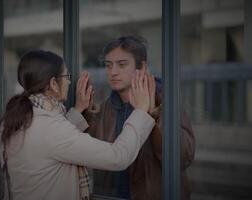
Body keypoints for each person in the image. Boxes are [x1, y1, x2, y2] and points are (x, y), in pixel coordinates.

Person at [0, 49, 156, 200]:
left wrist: (79, 109)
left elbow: (48, 143)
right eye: (66, 76)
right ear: (53, 83)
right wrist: (141, 111)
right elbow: (118, 157)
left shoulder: (16, 118)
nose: (69, 81)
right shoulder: (51, 128)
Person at [84, 36, 195, 200]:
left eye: (122, 65)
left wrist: (152, 115)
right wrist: (85, 112)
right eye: (108, 65)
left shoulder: (165, 102)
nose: (113, 72)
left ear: (141, 67)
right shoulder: (106, 107)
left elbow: (183, 157)